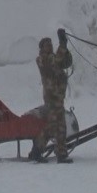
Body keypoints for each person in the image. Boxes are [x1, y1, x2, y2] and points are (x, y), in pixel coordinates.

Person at [30, 28, 73, 164]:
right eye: (47, 45)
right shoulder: (42, 59)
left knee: (55, 127)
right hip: (52, 97)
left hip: (57, 97)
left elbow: (65, 61)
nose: (50, 47)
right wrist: (63, 44)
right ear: (42, 47)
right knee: (58, 126)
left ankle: (38, 151)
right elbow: (57, 60)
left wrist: (64, 47)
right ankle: (59, 154)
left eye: (51, 44)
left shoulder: (52, 58)